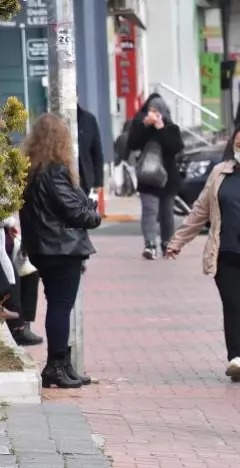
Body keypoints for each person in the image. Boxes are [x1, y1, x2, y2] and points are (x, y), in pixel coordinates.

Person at [166, 123, 240, 381]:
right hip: (228, 252)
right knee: (234, 305)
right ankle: (237, 356)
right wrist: (178, 240)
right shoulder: (220, 173)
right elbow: (200, 210)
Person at [20, 113, 102, 389]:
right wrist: (93, 214)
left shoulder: (30, 170)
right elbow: (75, 211)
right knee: (60, 305)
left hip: (43, 247)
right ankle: (56, 365)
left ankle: (62, 364)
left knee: (58, 304)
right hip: (60, 248)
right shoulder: (54, 171)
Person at [128, 93, 184, 260]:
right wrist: (144, 127)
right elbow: (132, 144)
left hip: (167, 177)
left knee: (167, 213)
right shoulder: (140, 125)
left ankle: (167, 243)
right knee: (149, 211)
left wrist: (160, 128)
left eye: (156, 110)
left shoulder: (171, 128)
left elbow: (175, 148)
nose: (153, 114)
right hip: (147, 176)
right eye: (150, 110)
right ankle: (150, 245)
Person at [77, 102, 105, 196]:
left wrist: (98, 181)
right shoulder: (53, 121)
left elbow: (97, 152)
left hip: (84, 180)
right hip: (61, 180)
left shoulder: (88, 120)